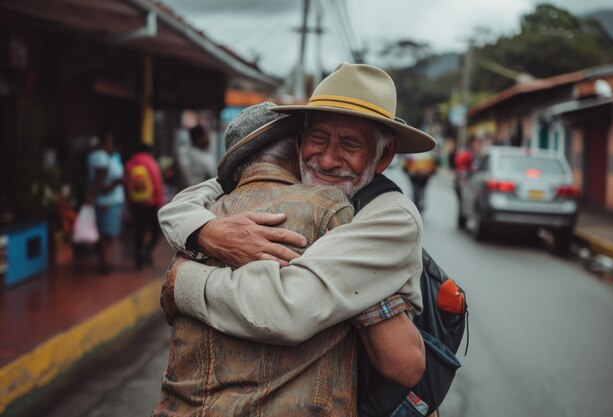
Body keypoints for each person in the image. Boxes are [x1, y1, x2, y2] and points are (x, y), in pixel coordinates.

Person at [158, 63, 438, 414]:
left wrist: (182, 280)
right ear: (300, 141)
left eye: (350, 143)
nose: (327, 158)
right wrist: (206, 231)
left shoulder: (392, 216)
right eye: (318, 138)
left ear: (383, 155)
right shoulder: (299, 185)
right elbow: (190, 199)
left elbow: (287, 308)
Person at [86, 129, 125, 274]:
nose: (112, 146)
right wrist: (116, 183)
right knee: (105, 235)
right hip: (106, 202)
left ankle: (107, 261)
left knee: (110, 234)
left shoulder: (111, 157)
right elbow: (100, 180)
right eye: (110, 143)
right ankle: (104, 263)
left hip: (114, 201)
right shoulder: (99, 157)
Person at [124, 142, 165, 269]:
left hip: (136, 203)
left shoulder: (129, 164)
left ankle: (138, 260)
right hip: (150, 203)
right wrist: (160, 202)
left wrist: (129, 202)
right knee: (156, 230)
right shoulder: (151, 163)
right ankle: (146, 251)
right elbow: (157, 184)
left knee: (139, 231)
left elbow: (126, 184)